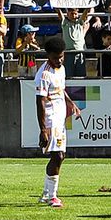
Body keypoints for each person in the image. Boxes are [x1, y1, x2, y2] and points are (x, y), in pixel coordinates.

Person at [35, 36, 82, 208]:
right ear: (48, 56)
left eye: (61, 56)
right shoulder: (44, 74)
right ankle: (52, 196)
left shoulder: (61, 69)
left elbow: (61, 90)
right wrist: (43, 129)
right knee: (58, 156)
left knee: (59, 156)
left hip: (60, 119)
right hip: (50, 120)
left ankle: (47, 193)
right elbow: (40, 101)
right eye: (55, 57)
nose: (59, 60)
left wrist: (72, 103)